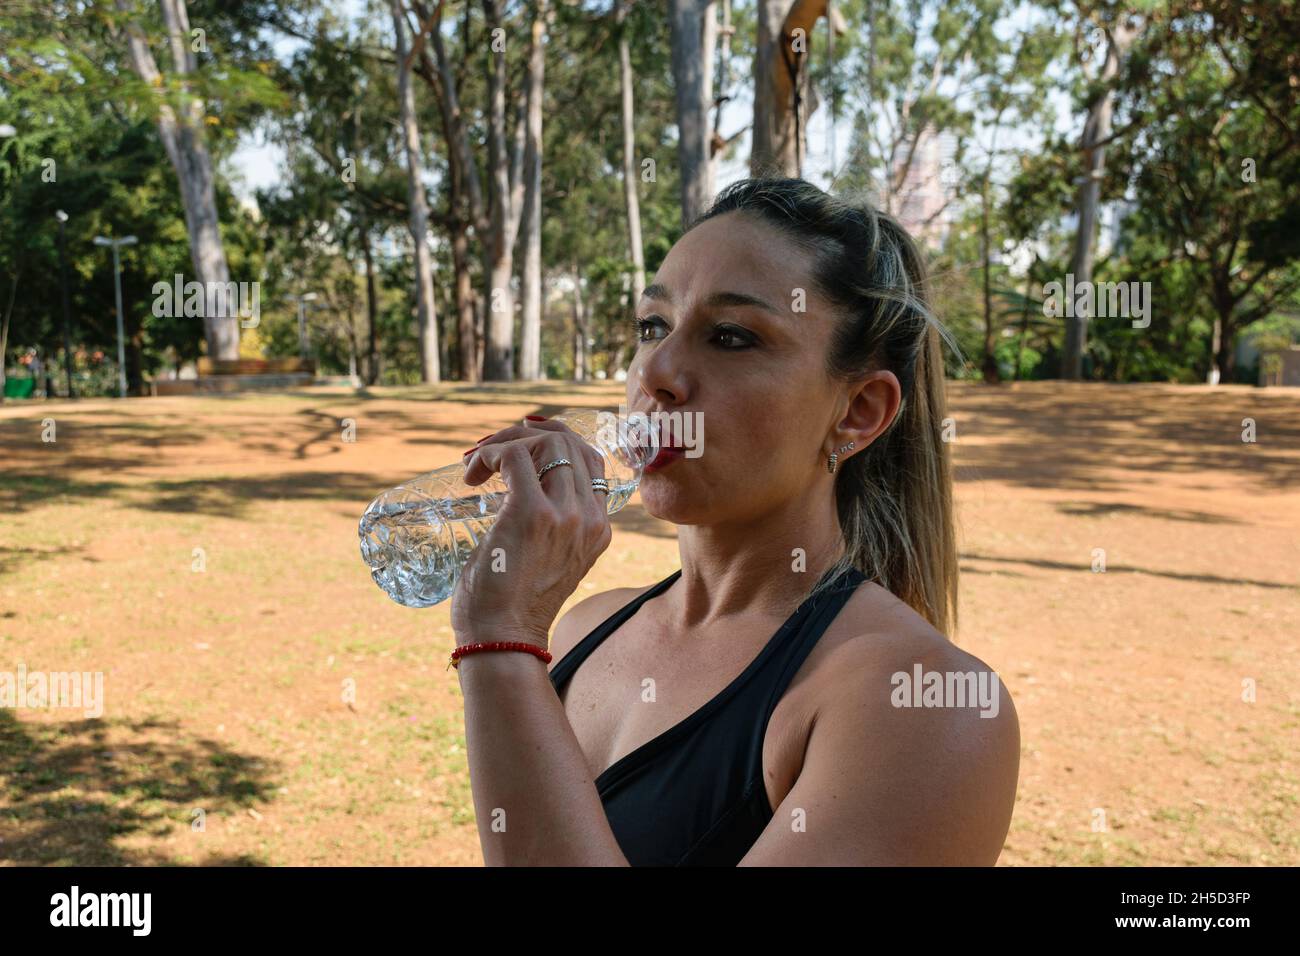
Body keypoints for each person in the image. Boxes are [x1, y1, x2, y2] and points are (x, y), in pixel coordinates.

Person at [451, 176, 1020, 866]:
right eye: (652, 326)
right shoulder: (579, 631)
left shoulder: (925, 708)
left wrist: (501, 643)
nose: (655, 372)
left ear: (859, 411)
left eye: (730, 337)